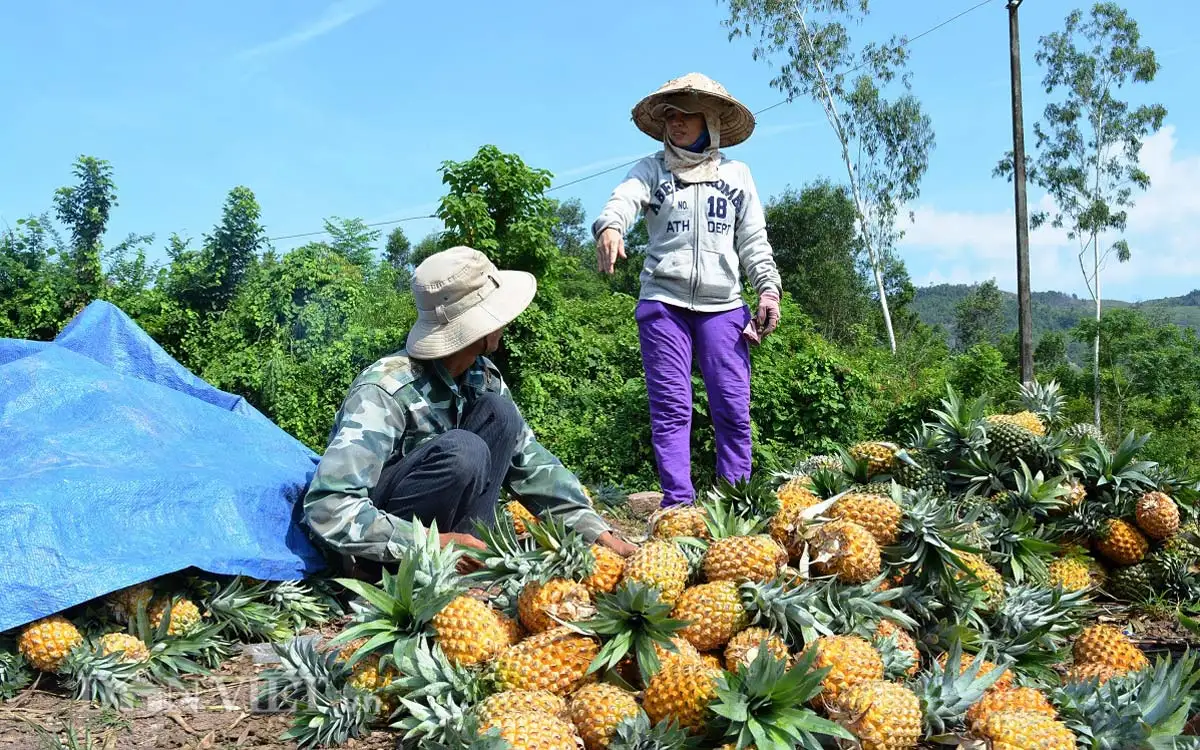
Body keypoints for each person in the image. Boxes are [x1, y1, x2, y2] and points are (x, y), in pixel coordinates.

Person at [302, 246, 637, 576]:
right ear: (478, 327)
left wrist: (598, 533)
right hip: (383, 551)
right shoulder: (385, 390)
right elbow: (328, 507)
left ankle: (471, 566)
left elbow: (530, 463)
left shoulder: (483, 377)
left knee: (499, 414)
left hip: (453, 543)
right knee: (465, 449)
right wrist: (432, 544)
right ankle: (395, 572)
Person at [592, 72, 782, 508]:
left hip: (724, 306)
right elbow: (623, 200)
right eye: (670, 116)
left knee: (732, 407)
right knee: (671, 408)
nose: (675, 123)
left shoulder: (737, 176)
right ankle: (678, 504)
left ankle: (735, 504)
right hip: (663, 303)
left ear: (709, 121)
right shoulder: (651, 170)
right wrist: (610, 226)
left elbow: (754, 241)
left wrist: (768, 290)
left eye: (686, 115)